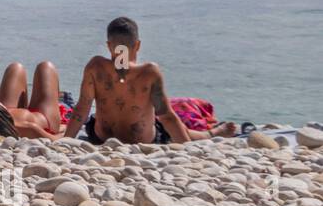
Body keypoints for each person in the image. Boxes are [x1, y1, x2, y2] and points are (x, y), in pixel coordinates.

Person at [62, 16, 236, 144]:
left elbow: (81, 110)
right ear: (137, 45)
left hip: (102, 138)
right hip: (144, 140)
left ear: (109, 45)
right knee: (163, 122)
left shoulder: (95, 66)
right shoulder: (150, 72)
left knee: (94, 116)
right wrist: (188, 149)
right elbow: (166, 116)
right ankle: (210, 135)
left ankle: (211, 134)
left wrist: (65, 142)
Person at [0, 61, 65, 140]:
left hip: (5, 115)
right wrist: (65, 128)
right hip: (42, 117)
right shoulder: (26, 128)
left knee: (15, 67)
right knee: (46, 67)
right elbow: (55, 139)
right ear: (2, 112)